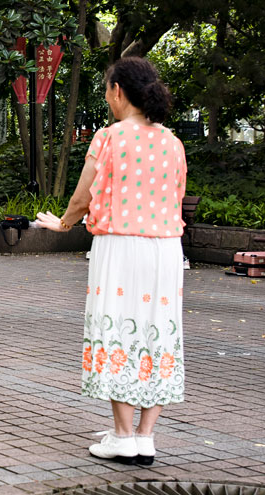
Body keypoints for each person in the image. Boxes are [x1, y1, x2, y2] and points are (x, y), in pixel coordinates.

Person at [33, 56, 186, 467]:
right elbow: (174, 196)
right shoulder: (173, 142)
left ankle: (121, 436)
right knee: (158, 330)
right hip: (166, 248)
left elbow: (83, 197)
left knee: (118, 326)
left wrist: (64, 223)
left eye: (106, 90)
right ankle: (145, 437)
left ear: (118, 91)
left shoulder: (110, 137)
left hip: (120, 246)